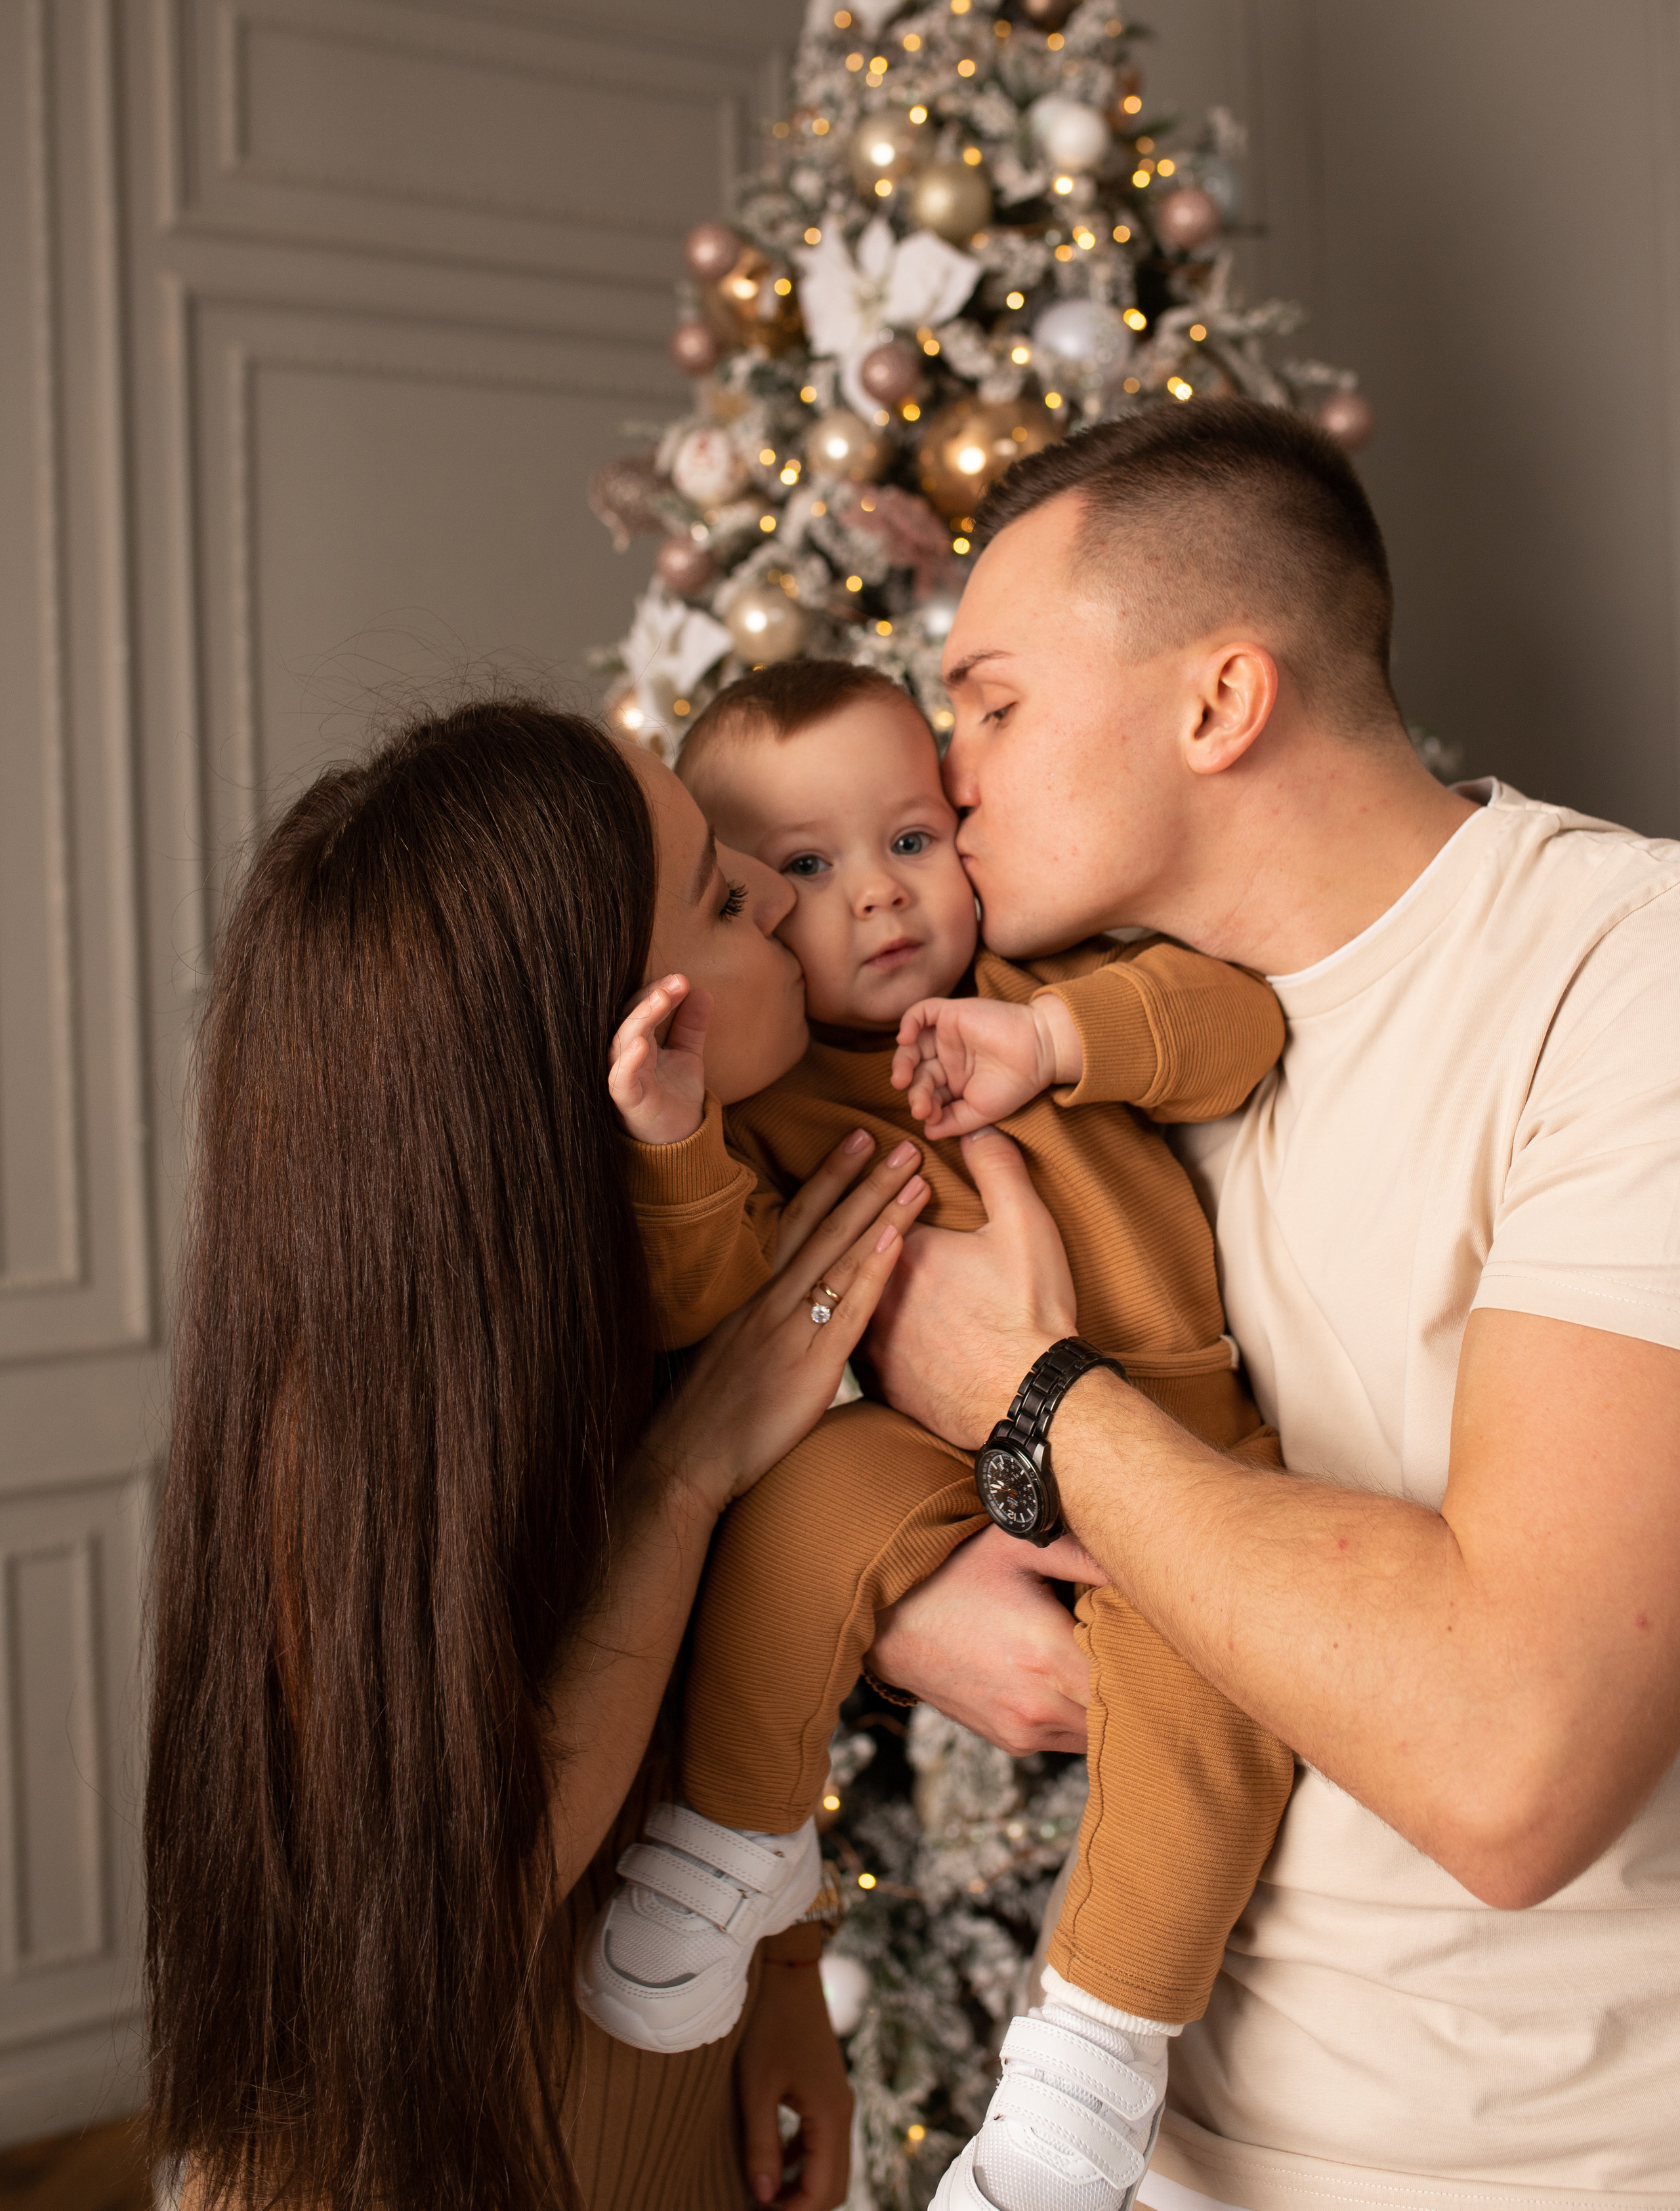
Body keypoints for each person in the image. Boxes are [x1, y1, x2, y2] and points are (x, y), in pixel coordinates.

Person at [860, 400, 1680, 2208]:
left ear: (1220, 705)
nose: (947, 767)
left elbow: (1511, 1755)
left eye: (993, 701)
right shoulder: (1043, 1034)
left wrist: (1034, 1402)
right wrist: (902, 1592)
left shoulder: (1630, 983)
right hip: (1157, 2152)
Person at [144, 696, 934, 2211]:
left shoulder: (679, 1257)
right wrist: (684, 1476)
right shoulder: (358, 1425)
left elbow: (735, 1703)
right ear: (612, 1030)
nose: (780, 892)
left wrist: (778, 1983)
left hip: (663, 2117)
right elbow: (462, 1897)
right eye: (719, 890)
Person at [576, 656, 1290, 2211]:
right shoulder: (762, 1099)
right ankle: (736, 1839)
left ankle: (1090, 2061)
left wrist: (1051, 1045)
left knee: (1213, 1686)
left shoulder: (1034, 988)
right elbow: (708, 1300)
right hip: (936, 1462)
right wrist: (673, 1135)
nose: (879, 900)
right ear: (751, 912)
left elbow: (1230, 1022)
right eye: (806, 871)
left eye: (912, 839)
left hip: (1169, 1440)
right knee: (796, 1509)